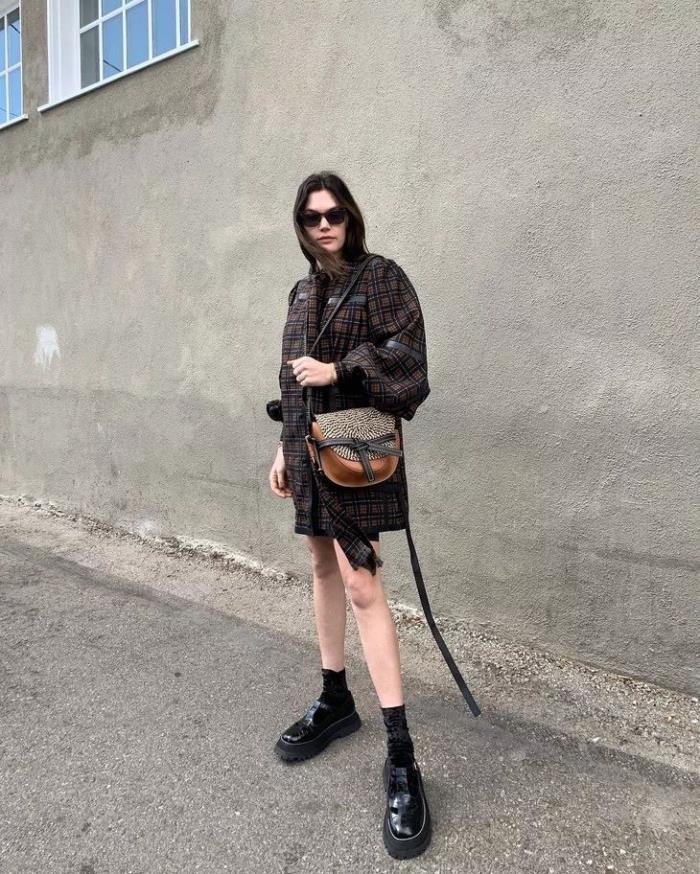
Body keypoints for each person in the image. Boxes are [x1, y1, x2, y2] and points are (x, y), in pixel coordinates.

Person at [268, 171, 432, 859]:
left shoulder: (382, 278)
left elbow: (410, 361)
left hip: (354, 453)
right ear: (301, 226)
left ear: (350, 217)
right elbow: (289, 378)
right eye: (312, 217)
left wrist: (341, 369)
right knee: (320, 568)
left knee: (363, 585)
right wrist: (281, 448)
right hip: (307, 451)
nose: (325, 226)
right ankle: (335, 698)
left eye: (334, 214)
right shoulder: (302, 291)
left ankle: (402, 754)